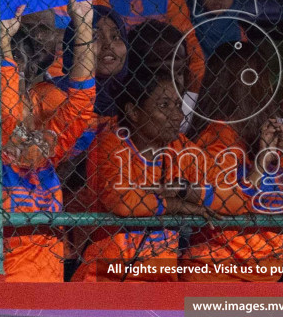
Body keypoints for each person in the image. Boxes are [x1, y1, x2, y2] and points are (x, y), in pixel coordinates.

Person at [0, 0, 97, 282]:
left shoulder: (42, 146)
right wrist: (1, 45)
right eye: (0, 74)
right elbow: (4, 116)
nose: (10, 82)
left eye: (18, 75)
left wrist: (84, 27)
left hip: (48, 289)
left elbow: (82, 104)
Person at [75, 64, 254, 281]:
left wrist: (184, 191)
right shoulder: (112, 142)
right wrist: (178, 206)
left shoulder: (179, 146)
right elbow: (123, 201)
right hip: (107, 277)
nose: (176, 116)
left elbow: (237, 199)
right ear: (133, 111)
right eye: (164, 105)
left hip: (161, 281)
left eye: (178, 105)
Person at [184, 41, 283, 281]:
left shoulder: (274, 132)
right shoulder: (215, 138)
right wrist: (259, 168)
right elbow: (218, 205)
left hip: (266, 270)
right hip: (216, 274)